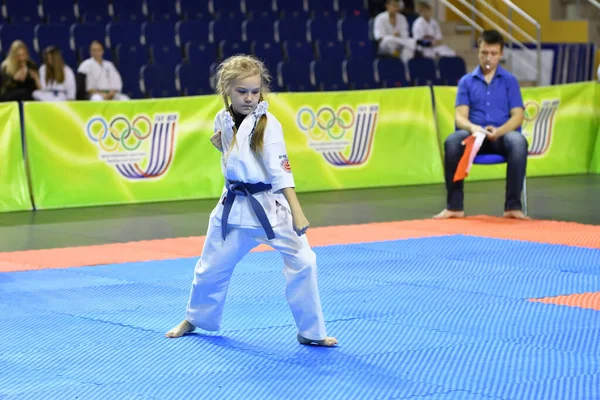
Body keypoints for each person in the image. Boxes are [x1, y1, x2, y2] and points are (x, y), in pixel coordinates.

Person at [165, 55, 337, 347]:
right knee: (210, 267)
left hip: (269, 209)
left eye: (255, 91)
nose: (249, 98)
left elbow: (281, 171)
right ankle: (195, 318)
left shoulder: (268, 125)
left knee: (305, 261)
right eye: (242, 91)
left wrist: (298, 213)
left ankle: (310, 332)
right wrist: (221, 144)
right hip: (232, 208)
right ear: (227, 91)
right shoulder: (223, 118)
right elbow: (238, 156)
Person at [434, 29, 529, 220]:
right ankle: (454, 206)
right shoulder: (466, 82)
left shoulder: (510, 81)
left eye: (493, 54)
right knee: (452, 141)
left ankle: (512, 207)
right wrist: (472, 128)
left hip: (501, 137)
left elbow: (518, 116)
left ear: (500, 54)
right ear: (478, 52)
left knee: (519, 142)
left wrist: (500, 130)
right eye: (484, 53)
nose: (488, 58)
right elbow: (460, 117)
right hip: (473, 136)